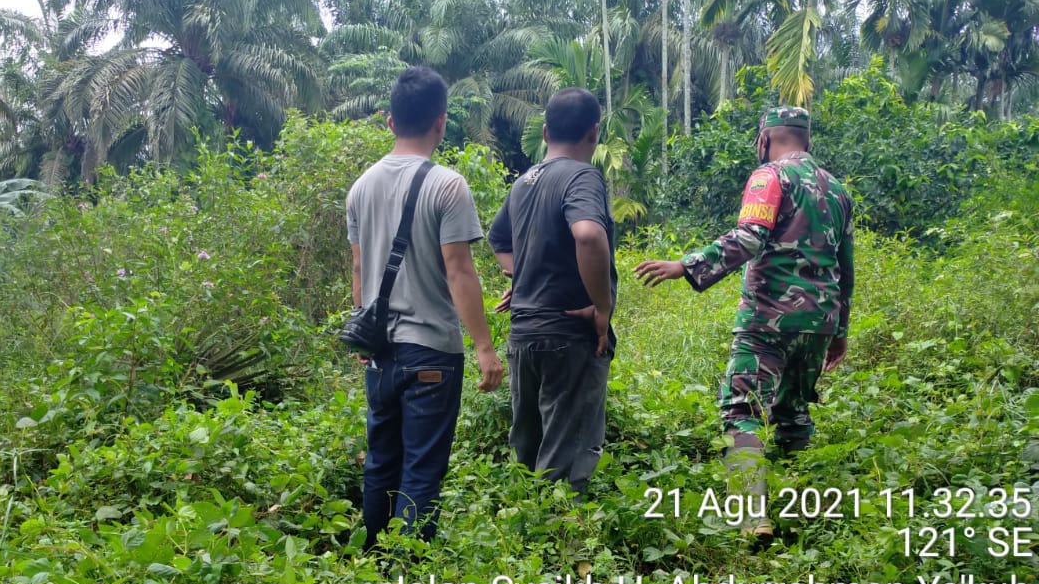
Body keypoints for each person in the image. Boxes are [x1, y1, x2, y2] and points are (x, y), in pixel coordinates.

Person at [634, 105, 854, 537]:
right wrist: (839, 331)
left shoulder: (769, 176)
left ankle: (753, 516)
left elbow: (749, 237)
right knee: (793, 413)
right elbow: (846, 269)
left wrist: (687, 265)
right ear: (807, 141)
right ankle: (802, 512)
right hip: (819, 321)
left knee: (743, 410)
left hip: (767, 317)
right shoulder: (838, 190)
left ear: (765, 138)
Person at [348, 66, 504, 551]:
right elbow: (459, 271)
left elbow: (358, 271)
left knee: (382, 461)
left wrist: (363, 334)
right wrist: (484, 347)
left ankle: (371, 564)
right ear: (441, 122)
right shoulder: (447, 186)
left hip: (380, 351)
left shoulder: (361, 187)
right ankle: (409, 575)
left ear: (390, 122)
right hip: (431, 351)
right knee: (422, 468)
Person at [487, 87, 616, 494]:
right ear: (593, 134)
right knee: (567, 455)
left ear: (545, 132)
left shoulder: (523, 182)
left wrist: (521, 277)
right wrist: (602, 308)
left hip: (524, 333)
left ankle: (524, 535)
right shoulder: (582, 176)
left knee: (528, 447)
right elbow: (589, 234)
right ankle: (559, 543)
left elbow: (498, 240)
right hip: (568, 334)